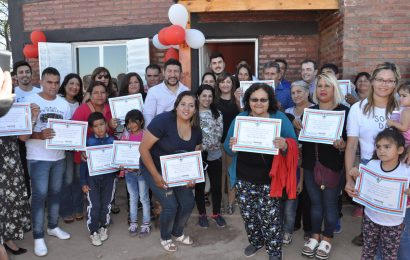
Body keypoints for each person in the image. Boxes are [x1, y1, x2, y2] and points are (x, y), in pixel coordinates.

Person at [224, 83, 297, 260]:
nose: (258, 103)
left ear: (269, 101)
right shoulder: (240, 118)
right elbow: (227, 147)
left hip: (269, 180)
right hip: (243, 178)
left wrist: (285, 144)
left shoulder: (279, 118)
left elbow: (293, 144)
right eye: (254, 99)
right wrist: (232, 146)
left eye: (263, 100)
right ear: (248, 101)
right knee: (248, 216)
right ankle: (256, 241)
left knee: (270, 219)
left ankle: (274, 252)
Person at [345, 62, 400, 247]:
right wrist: (348, 178)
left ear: (395, 84)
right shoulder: (358, 108)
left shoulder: (402, 108)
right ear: (372, 81)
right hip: (370, 167)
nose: (384, 84)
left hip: (400, 169)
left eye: (390, 81)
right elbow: (351, 146)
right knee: (371, 218)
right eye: (380, 80)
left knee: (398, 221)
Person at [139, 91, 202, 252]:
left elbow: (196, 153)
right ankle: (165, 236)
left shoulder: (196, 129)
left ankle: (177, 232)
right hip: (153, 167)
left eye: (191, 105)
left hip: (178, 171)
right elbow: (143, 148)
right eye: (183, 104)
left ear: (196, 109)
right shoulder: (163, 121)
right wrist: (156, 176)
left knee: (188, 203)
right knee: (170, 205)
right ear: (176, 106)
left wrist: (192, 176)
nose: (186, 108)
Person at [20, 67, 72, 257]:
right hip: (38, 158)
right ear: (41, 82)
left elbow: (68, 130)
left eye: (56, 82)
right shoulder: (29, 101)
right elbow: (22, 137)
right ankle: (38, 236)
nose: (53, 86)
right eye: (49, 82)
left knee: (56, 193)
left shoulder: (63, 104)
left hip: (58, 157)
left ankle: (52, 226)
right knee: (39, 197)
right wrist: (40, 134)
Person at [300, 73, 349, 260]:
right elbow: (305, 141)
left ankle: (327, 238)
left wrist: (342, 145)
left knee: (329, 204)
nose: (322, 89)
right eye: (319, 85)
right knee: (315, 203)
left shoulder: (345, 111)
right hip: (312, 164)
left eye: (327, 86)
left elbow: (350, 141)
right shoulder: (308, 111)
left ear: (334, 89)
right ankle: (315, 236)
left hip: (333, 166)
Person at [348, 128, 409, 259]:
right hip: (370, 218)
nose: (381, 150)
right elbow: (364, 187)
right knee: (367, 252)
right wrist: (355, 176)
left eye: (387, 146)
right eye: (378, 146)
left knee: (389, 256)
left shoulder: (406, 171)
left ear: (400, 150)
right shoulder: (371, 165)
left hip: (393, 224)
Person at [0, 68, 33, 258]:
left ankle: (8, 238)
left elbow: (23, 137)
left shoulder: (12, 106)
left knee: (10, 203)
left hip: (11, 163)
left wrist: (32, 118)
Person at [283, 80, 314, 244]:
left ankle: (308, 229)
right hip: (291, 158)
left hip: (308, 157)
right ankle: (294, 224)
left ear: (307, 92)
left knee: (307, 194)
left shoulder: (315, 110)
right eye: (293, 93)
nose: (296, 95)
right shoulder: (288, 111)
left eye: (299, 92)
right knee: (293, 193)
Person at [80, 112, 117, 246]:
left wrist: (120, 167)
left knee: (106, 204)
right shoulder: (88, 142)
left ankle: (103, 227)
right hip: (92, 181)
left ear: (106, 124)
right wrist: (83, 182)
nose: (100, 128)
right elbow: (83, 164)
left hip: (109, 179)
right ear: (91, 128)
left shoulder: (113, 141)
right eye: (96, 126)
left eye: (102, 124)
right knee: (94, 205)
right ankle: (93, 231)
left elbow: (118, 161)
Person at [195, 84, 226, 228]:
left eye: (210, 96)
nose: (207, 99)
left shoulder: (217, 113)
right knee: (199, 186)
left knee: (216, 186)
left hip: (214, 153)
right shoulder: (192, 113)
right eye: (204, 96)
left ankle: (216, 213)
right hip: (197, 155)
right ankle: (202, 214)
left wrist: (205, 146)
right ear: (198, 97)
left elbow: (218, 135)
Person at [57, 73, 84, 223]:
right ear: (65, 85)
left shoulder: (81, 104)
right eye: (71, 83)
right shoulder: (58, 102)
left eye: (77, 85)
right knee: (67, 179)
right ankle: (66, 210)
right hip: (64, 148)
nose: (74, 87)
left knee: (79, 178)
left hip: (79, 148)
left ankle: (79, 208)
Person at [120, 109, 151, 237]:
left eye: (134, 122)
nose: (131, 125)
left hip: (142, 172)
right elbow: (121, 152)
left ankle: (146, 223)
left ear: (141, 121)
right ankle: (133, 222)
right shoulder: (125, 135)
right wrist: (122, 165)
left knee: (144, 198)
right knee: (133, 198)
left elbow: (149, 155)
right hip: (129, 173)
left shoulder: (146, 135)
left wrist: (138, 167)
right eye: (128, 123)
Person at [214, 72, 240, 215]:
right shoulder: (214, 102)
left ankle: (230, 203)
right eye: (222, 82)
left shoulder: (237, 100)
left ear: (232, 84)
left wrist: (237, 101)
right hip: (218, 142)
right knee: (220, 173)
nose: (225, 85)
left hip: (232, 143)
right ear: (218, 84)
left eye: (228, 82)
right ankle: (222, 203)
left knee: (231, 173)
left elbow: (244, 115)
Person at [143, 59, 189, 127]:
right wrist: (151, 135)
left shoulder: (186, 91)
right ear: (164, 73)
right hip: (161, 134)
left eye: (176, 71)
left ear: (181, 73)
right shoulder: (153, 91)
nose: (172, 75)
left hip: (182, 133)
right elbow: (148, 116)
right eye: (169, 71)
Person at [387, 82, 410, 146]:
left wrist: (392, 123)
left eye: (404, 96)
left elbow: (404, 128)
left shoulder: (407, 110)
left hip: (406, 142)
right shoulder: (404, 109)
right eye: (400, 95)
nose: (400, 98)